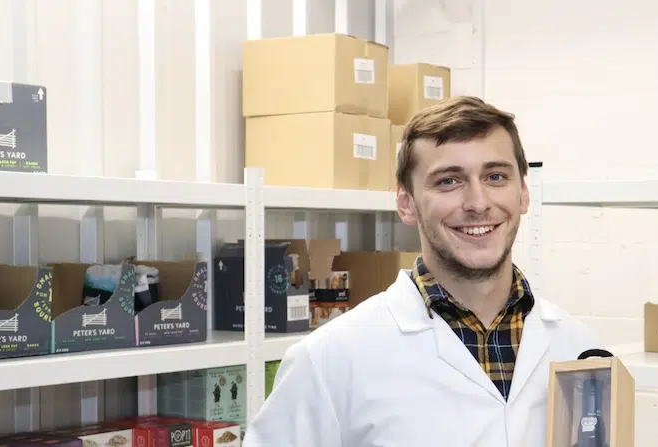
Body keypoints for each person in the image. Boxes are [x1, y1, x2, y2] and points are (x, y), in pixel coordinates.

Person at [242, 96, 602, 447]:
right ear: (406, 203)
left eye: (495, 177)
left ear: (523, 194)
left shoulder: (579, 348)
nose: (478, 203)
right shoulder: (328, 361)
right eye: (449, 181)